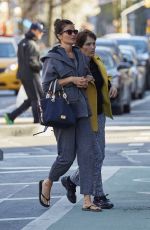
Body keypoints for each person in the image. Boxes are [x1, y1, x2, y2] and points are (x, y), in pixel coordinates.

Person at [39, 19, 101, 212]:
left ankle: (87, 200)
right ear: (59, 35)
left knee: (87, 155)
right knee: (66, 157)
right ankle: (48, 182)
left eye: (74, 31)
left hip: (82, 110)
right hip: (63, 111)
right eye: (69, 32)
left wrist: (86, 79)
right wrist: (71, 80)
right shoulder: (52, 58)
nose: (73, 34)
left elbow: (87, 73)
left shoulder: (80, 55)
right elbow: (47, 86)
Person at [61, 30, 117, 209]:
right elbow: (65, 82)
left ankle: (72, 180)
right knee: (95, 155)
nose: (92, 47)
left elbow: (104, 77)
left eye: (94, 43)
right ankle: (98, 195)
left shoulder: (96, 60)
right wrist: (81, 80)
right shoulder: (76, 64)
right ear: (79, 46)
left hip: (100, 115)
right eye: (88, 44)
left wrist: (112, 85)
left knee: (99, 156)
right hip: (85, 115)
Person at [4, 22, 44, 124]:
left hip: (23, 74)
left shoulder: (22, 42)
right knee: (37, 98)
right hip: (32, 75)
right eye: (40, 31)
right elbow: (32, 62)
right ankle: (37, 122)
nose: (41, 34)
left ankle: (11, 116)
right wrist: (41, 65)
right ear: (34, 30)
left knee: (31, 99)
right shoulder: (31, 44)